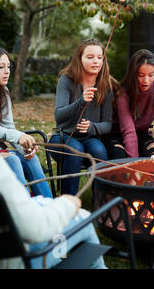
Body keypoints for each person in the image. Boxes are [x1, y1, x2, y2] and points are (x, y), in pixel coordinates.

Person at [0, 141, 106, 269]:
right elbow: (34, 229)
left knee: (41, 200)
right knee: (84, 218)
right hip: (18, 261)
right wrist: (67, 204)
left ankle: (58, 256)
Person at [0, 45, 52, 198]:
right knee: (13, 160)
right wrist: (15, 136)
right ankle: (24, 213)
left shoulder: (3, 91)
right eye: (1, 67)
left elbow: (9, 127)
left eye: (8, 66)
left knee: (30, 159)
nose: (7, 71)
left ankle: (48, 205)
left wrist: (25, 149)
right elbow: (9, 133)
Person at [49, 39, 114, 195]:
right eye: (90, 57)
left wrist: (92, 127)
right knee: (75, 150)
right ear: (80, 58)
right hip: (62, 137)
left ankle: (100, 203)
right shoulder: (66, 80)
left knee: (99, 151)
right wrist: (81, 101)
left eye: (100, 57)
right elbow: (59, 116)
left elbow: (108, 124)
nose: (96, 61)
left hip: (89, 137)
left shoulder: (105, 84)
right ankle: (68, 202)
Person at [116, 49, 154, 158]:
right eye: (141, 75)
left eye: (151, 75)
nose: (146, 80)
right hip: (117, 134)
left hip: (142, 133)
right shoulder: (123, 92)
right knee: (119, 156)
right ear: (133, 74)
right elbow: (129, 132)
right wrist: (135, 166)